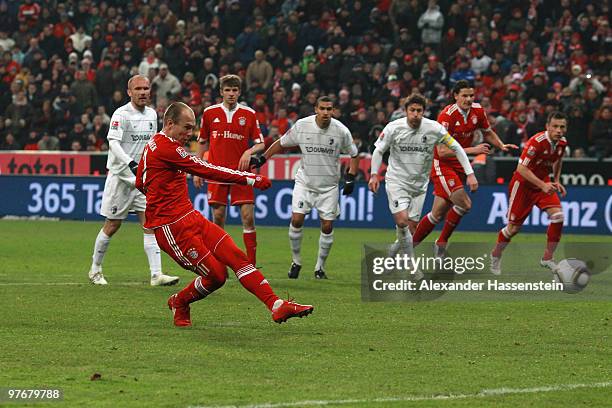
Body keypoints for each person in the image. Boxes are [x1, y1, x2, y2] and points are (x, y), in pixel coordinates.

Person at [135, 102, 313, 327]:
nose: (191, 133)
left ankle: (277, 305)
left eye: (193, 128)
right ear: (170, 124)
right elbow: (207, 169)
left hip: (191, 217)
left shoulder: (154, 146)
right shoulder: (167, 148)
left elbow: (140, 182)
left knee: (236, 256)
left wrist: (161, 189)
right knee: (217, 276)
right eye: (187, 127)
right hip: (171, 227)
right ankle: (179, 301)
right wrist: (249, 178)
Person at [251, 96, 360, 279]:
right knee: (297, 220)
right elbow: (281, 143)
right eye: (322, 108)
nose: (326, 112)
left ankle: (320, 268)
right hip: (305, 183)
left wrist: (350, 177)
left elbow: (354, 154)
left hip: (329, 186)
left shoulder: (341, 131)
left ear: (333, 111)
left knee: (327, 226)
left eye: (329, 109)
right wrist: (263, 158)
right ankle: (296, 261)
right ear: (315, 109)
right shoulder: (302, 125)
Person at [368, 94, 477, 273]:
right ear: (406, 111)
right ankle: (412, 268)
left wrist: (470, 174)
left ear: (423, 112)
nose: (416, 114)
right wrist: (374, 175)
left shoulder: (434, 128)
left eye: (419, 110)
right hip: (397, 181)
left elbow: (456, 147)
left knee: (410, 228)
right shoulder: (393, 128)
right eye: (412, 110)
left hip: (419, 185)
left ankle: (391, 255)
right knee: (402, 221)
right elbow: (379, 150)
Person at [88, 75, 179, 287]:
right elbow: (113, 143)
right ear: (129, 92)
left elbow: (152, 144)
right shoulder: (121, 114)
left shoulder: (152, 114)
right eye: (138, 88)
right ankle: (95, 270)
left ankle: (156, 274)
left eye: (146, 88)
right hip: (121, 177)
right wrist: (131, 163)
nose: (143, 92)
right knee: (112, 225)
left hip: (143, 180)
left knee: (150, 224)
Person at [412, 80, 518, 257]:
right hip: (443, 165)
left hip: (459, 165)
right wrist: (473, 150)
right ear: (455, 96)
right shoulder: (447, 116)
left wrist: (501, 145)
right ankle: (441, 243)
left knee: (437, 214)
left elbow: (488, 131)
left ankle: (408, 248)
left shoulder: (477, 111)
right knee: (465, 204)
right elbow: (442, 151)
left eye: (471, 95)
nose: (469, 99)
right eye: (464, 96)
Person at [194, 75, 264, 266]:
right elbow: (202, 142)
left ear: (239, 92)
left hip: (241, 173)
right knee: (217, 217)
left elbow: (261, 144)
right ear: (221, 92)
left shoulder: (249, 114)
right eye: (228, 90)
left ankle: (251, 264)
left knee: (248, 217)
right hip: (216, 171)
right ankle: (219, 261)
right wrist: (198, 170)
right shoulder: (209, 113)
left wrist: (248, 151)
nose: (231, 94)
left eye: (234, 90)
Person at [490, 112, 569, 275]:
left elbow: (558, 161)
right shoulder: (536, 143)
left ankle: (547, 258)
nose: (559, 130)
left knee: (558, 217)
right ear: (547, 127)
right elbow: (521, 169)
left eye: (562, 127)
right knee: (512, 229)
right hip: (523, 185)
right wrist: (543, 185)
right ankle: (496, 254)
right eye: (555, 126)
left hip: (543, 183)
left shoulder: (562, 143)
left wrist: (557, 179)